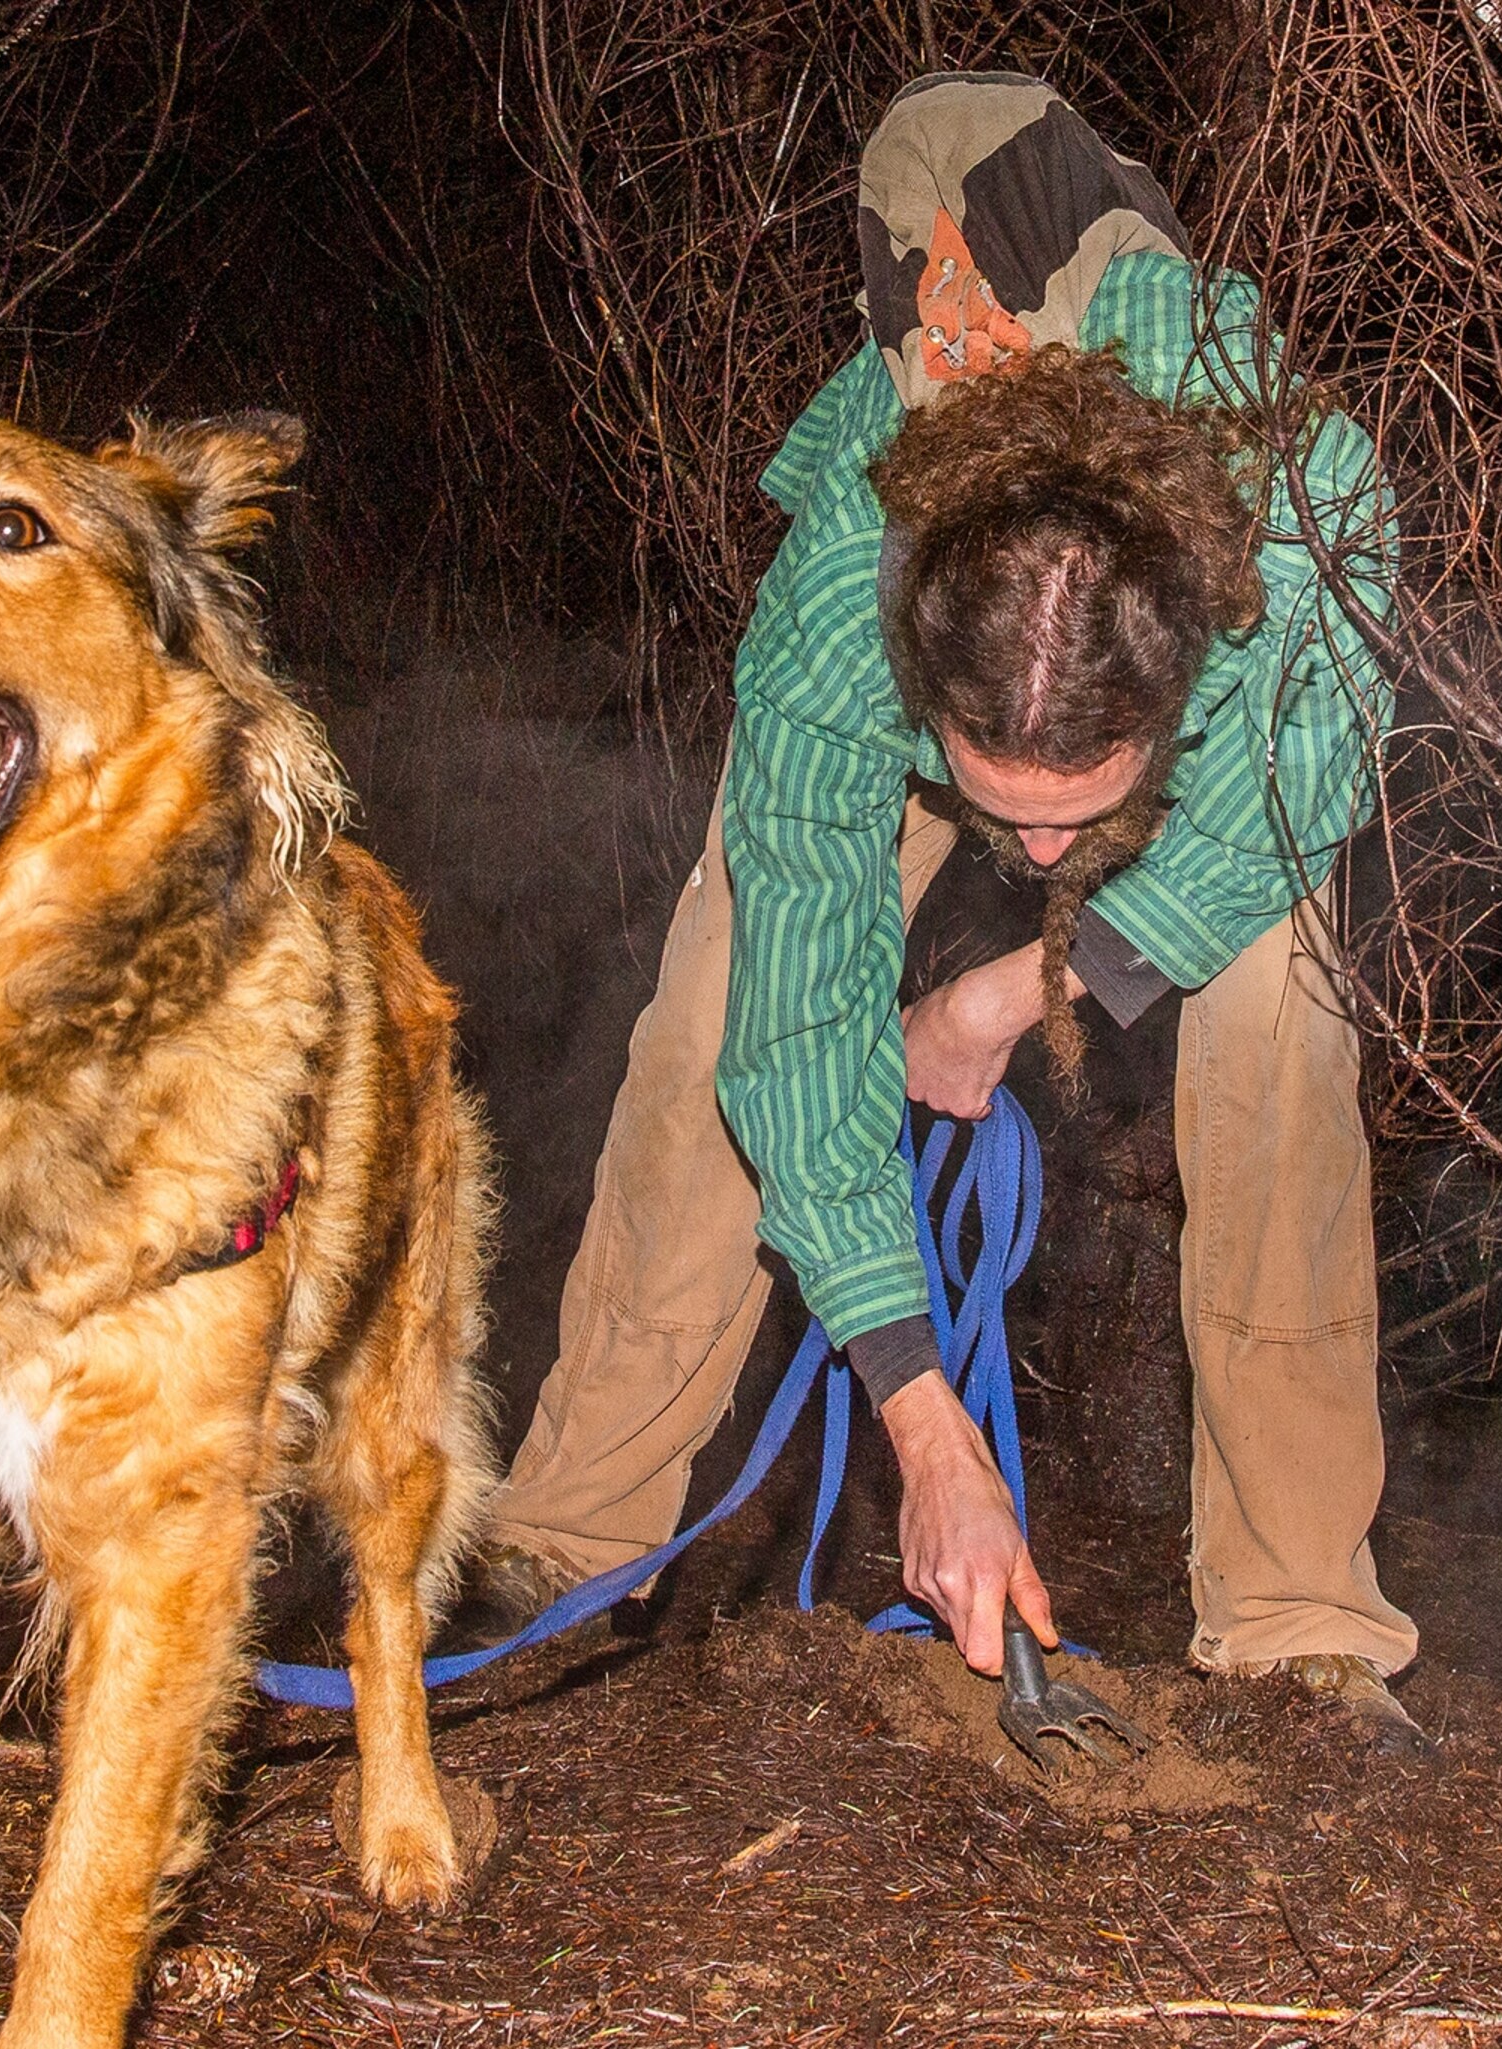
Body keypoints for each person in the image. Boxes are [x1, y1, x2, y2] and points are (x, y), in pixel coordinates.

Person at [472, 73, 1423, 1751]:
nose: (1042, 860)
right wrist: (927, 1423)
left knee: (1288, 1011)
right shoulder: (839, 614)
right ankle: (561, 1545)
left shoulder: (1295, 507)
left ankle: (1299, 1626)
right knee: (717, 1010)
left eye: (1081, 818)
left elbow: (1308, 782)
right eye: (1004, 818)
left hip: (1221, 698)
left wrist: (1009, 989)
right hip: (905, 657)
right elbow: (797, 1016)